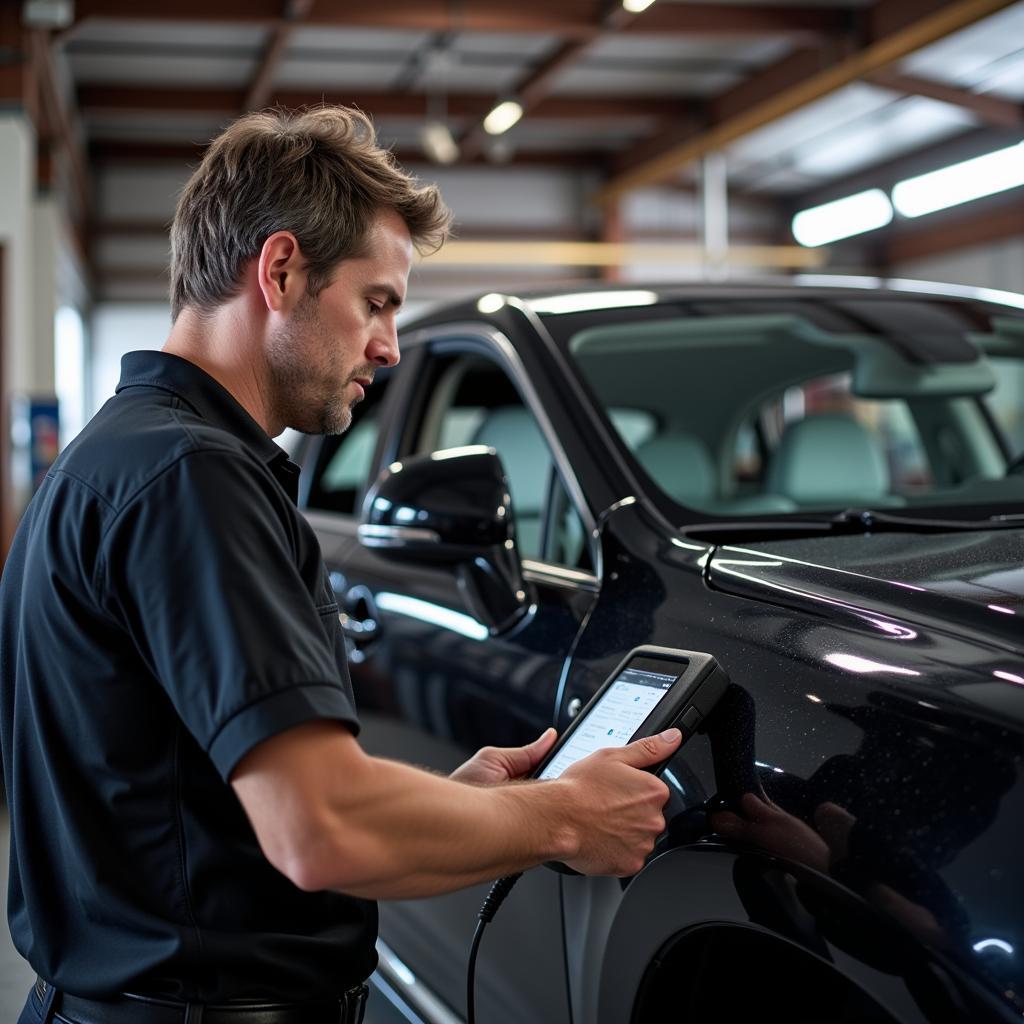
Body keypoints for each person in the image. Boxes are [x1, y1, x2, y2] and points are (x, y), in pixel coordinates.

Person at [0, 106, 681, 1024]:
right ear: (280, 271)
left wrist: (450, 805)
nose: (389, 348)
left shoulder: (112, 459)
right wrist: (562, 818)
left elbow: (189, 803)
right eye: (377, 302)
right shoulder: (193, 479)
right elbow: (317, 831)